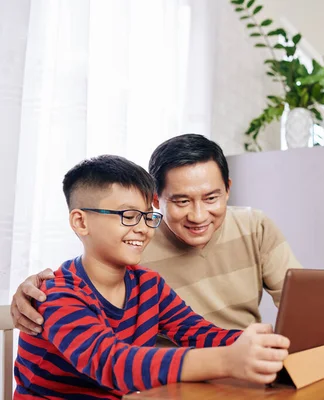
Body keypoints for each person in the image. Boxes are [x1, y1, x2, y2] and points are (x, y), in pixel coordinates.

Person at [11, 134, 324, 359]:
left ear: (228, 189)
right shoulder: (135, 241)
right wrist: (32, 288)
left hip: (243, 359)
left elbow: (300, 315)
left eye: (211, 197)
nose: (199, 215)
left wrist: (313, 341)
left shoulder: (255, 226)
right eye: (181, 201)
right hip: (166, 378)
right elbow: (85, 277)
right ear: (157, 198)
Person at [14, 155, 290, 399]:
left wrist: (272, 345)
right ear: (81, 222)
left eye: (148, 216)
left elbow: (201, 334)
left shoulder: (148, 284)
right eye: (129, 215)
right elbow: (113, 363)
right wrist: (227, 361)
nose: (144, 228)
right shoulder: (56, 293)